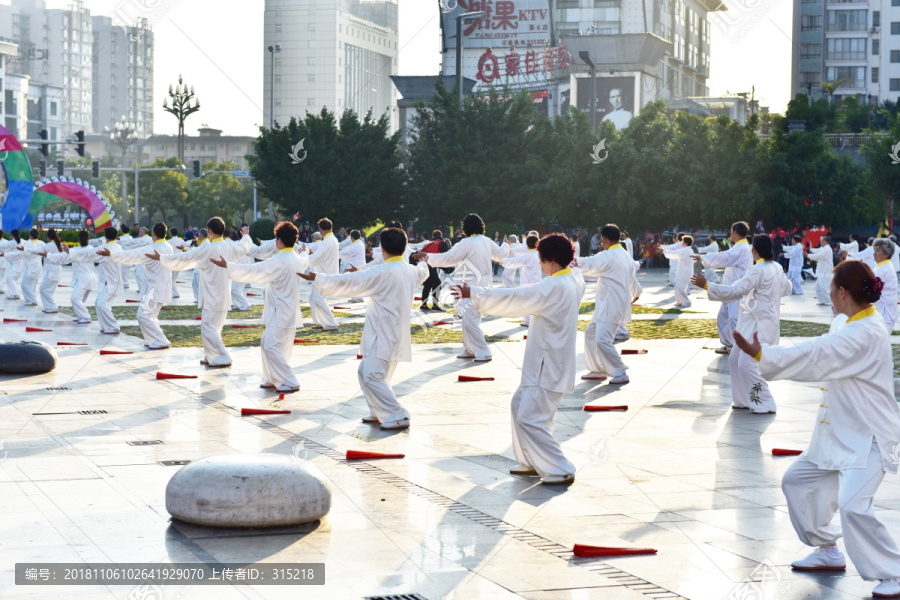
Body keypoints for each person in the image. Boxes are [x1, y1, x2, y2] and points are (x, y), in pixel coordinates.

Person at [731, 260, 900, 599]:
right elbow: (823, 344)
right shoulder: (847, 321)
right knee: (796, 483)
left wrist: (764, 354)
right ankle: (828, 549)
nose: (828, 295)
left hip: (870, 439)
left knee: (853, 506)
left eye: (830, 289)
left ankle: (893, 572)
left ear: (841, 292)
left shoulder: (865, 332)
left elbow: (818, 352)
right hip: (838, 430)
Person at [454, 233, 584, 485]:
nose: (540, 265)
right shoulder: (574, 280)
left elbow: (516, 298)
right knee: (520, 405)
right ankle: (532, 459)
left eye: (541, 260)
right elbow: (572, 273)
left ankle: (560, 467)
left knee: (531, 418)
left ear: (552, 259)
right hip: (549, 362)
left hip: (546, 365)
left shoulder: (553, 287)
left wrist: (474, 293)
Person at [300, 227, 429, 429]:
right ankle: (379, 411)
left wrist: (319, 278)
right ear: (404, 249)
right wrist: (422, 261)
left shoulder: (383, 272)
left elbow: (351, 281)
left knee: (372, 375)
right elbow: (423, 272)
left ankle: (397, 415)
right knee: (366, 372)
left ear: (383, 249)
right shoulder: (410, 271)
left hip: (383, 332)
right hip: (394, 331)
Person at [692, 235, 791, 414]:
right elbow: (787, 288)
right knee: (734, 359)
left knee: (747, 364)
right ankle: (743, 400)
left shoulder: (757, 270)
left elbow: (736, 290)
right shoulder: (776, 267)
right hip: (755, 324)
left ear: (755, 251)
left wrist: (709, 286)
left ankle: (765, 403)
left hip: (758, 327)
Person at [210, 222, 306, 393]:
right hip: (288, 310)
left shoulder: (279, 260)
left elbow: (255, 270)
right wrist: (305, 252)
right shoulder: (297, 260)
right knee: (278, 345)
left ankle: (290, 380)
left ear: (280, 240)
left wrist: (229, 266)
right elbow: (305, 260)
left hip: (281, 311)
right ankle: (273, 378)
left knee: (269, 344)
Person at [148, 219, 251, 368]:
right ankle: (211, 355)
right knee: (214, 327)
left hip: (212, 294)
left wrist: (162, 258)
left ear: (209, 231)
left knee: (208, 327)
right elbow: (244, 247)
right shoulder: (230, 246)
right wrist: (246, 236)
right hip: (222, 293)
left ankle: (222, 357)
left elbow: (186, 257)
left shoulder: (208, 248)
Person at [413, 213, 508, 362]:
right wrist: (506, 245)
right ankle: (469, 349)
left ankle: (484, 350)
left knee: (470, 319)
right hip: (483, 285)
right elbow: (500, 256)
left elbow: (448, 259)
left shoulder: (466, 243)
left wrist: (427, 257)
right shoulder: (487, 241)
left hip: (470, 287)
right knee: (469, 319)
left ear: (466, 228)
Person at [576, 224, 634, 384]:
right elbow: (633, 271)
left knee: (602, 340)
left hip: (611, 304)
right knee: (590, 334)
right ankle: (597, 370)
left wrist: (568, 260)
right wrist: (637, 290)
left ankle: (620, 372)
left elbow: (589, 263)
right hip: (607, 304)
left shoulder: (609, 255)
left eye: (602, 240)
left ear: (605, 239)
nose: (602, 242)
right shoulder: (624, 254)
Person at [101, 223, 174, 349]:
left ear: (153, 234)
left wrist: (112, 254)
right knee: (151, 316)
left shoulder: (152, 249)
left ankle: (161, 340)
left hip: (154, 289)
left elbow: (132, 255)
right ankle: (153, 339)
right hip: (163, 287)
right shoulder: (168, 246)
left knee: (143, 316)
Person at [693, 221, 753, 354]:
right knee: (723, 317)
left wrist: (702, 258)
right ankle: (728, 343)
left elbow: (725, 257)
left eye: (732, 232)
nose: (730, 234)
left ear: (736, 232)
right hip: (730, 288)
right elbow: (726, 257)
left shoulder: (741, 248)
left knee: (733, 318)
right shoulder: (740, 247)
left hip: (737, 289)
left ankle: (735, 345)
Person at [43, 230, 98, 324]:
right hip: (87, 279)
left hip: (85, 279)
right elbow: (62, 258)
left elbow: (64, 257)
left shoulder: (78, 251)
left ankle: (86, 317)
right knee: (80, 299)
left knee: (74, 298)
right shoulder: (77, 250)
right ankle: (80, 315)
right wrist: (48, 255)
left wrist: (49, 255)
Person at [303, 218, 340, 330]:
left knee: (319, 299)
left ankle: (332, 323)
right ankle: (320, 322)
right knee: (313, 298)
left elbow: (318, 256)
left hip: (326, 274)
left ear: (321, 229)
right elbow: (321, 255)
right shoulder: (331, 240)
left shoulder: (328, 241)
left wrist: (304, 258)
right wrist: (310, 254)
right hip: (324, 273)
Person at [500, 234, 542, 326]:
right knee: (535, 302)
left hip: (527, 282)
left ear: (527, 244)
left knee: (527, 302)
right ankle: (532, 320)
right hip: (537, 282)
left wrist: (501, 262)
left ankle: (528, 321)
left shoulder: (527, 255)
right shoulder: (539, 254)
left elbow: (515, 261)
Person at [92, 226, 124, 334]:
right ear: (116, 236)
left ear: (105, 236)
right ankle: (106, 326)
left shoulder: (104, 248)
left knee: (101, 304)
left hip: (110, 282)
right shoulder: (118, 247)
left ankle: (114, 327)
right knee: (99, 303)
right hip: (111, 281)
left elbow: (92, 255)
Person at [419, 230, 451, 311]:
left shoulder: (428, 243)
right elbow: (443, 256)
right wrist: (447, 268)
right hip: (430, 264)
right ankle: (435, 305)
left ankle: (424, 305)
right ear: (441, 235)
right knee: (437, 284)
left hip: (422, 264)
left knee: (427, 285)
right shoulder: (442, 242)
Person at [36, 229, 64, 313]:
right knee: (48, 291)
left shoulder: (49, 245)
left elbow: (36, 251)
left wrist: (25, 250)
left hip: (51, 272)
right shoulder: (59, 244)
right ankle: (48, 307)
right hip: (56, 271)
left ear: (48, 236)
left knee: (43, 289)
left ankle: (52, 307)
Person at [873, 238, 898, 333]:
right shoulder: (881, 266)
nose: (874, 253)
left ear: (887, 254)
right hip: (882, 313)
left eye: (878, 251)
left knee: (878, 345)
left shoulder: (883, 269)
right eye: (874, 250)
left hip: (884, 314)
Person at [664, 235, 695, 307]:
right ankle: (680, 301)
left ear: (686, 243)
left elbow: (675, 253)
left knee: (681, 288)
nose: (681, 243)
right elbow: (676, 252)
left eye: (683, 242)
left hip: (685, 273)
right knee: (677, 287)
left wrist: (665, 251)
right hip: (682, 272)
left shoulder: (686, 250)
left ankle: (687, 301)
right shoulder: (688, 250)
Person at [807, 236, 834, 306]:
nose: (821, 242)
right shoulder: (824, 248)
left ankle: (828, 301)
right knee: (817, 286)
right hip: (822, 271)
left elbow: (818, 256)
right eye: (821, 241)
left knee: (823, 287)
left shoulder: (827, 249)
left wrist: (807, 255)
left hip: (825, 271)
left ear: (827, 242)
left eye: (823, 241)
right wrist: (810, 249)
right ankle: (821, 300)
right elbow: (818, 250)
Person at [20, 228, 44, 306]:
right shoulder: (42, 243)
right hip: (38, 266)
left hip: (30, 267)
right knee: (32, 285)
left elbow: (26, 254)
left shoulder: (28, 244)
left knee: (24, 285)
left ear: (30, 235)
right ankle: (31, 299)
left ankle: (32, 300)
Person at [0, 230, 23, 299]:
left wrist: (4, 254)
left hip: (15, 263)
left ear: (12, 235)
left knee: (9, 278)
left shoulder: (12, 242)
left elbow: (2, 246)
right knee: (10, 278)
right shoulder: (21, 241)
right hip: (16, 263)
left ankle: (15, 294)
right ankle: (13, 293)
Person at [192, 228, 208, 304]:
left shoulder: (206, 244)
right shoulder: (202, 243)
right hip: (197, 267)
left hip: (201, 268)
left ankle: (202, 299)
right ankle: (198, 298)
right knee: (194, 283)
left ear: (201, 235)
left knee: (199, 284)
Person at [118, 225, 134, 289]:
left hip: (123, 255)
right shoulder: (131, 237)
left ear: (122, 230)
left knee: (123, 270)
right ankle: (126, 282)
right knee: (127, 269)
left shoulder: (120, 238)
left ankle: (125, 282)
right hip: (130, 255)